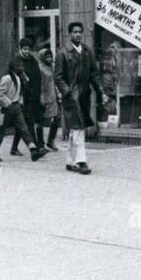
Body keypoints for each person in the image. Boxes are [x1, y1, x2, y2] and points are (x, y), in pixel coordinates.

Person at [54, 21, 109, 175]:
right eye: (74, 32)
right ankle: (81, 160)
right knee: (78, 127)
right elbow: (58, 77)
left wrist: (101, 92)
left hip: (85, 94)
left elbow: (94, 74)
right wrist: (68, 93)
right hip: (71, 96)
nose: (77, 34)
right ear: (69, 34)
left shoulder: (87, 51)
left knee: (77, 127)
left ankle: (70, 161)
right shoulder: (63, 52)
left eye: (80, 32)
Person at [0, 55, 47, 162]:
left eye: (21, 66)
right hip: (6, 108)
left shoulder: (19, 78)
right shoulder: (7, 78)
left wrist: (20, 103)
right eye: (19, 66)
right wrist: (8, 103)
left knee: (24, 129)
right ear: (13, 67)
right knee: (1, 131)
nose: (21, 67)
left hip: (16, 107)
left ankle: (33, 150)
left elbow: (21, 93)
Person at [9, 38, 43, 155]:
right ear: (20, 49)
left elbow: (38, 77)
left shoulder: (33, 60)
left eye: (29, 49)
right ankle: (36, 148)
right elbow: (20, 73)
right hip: (21, 97)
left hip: (33, 95)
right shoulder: (16, 61)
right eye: (25, 49)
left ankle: (14, 148)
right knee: (29, 121)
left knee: (22, 123)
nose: (27, 51)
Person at [37, 46, 61, 151]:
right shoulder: (40, 68)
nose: (49, 58)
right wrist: (41, 98)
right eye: (47, 57)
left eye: (50, 56)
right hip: (44, 98)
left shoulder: (51, 67)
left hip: (53, 97)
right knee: (41, 121)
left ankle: (51, 141)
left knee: (57, 118)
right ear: (42, 57)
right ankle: (40, 144)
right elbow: (40, 85)